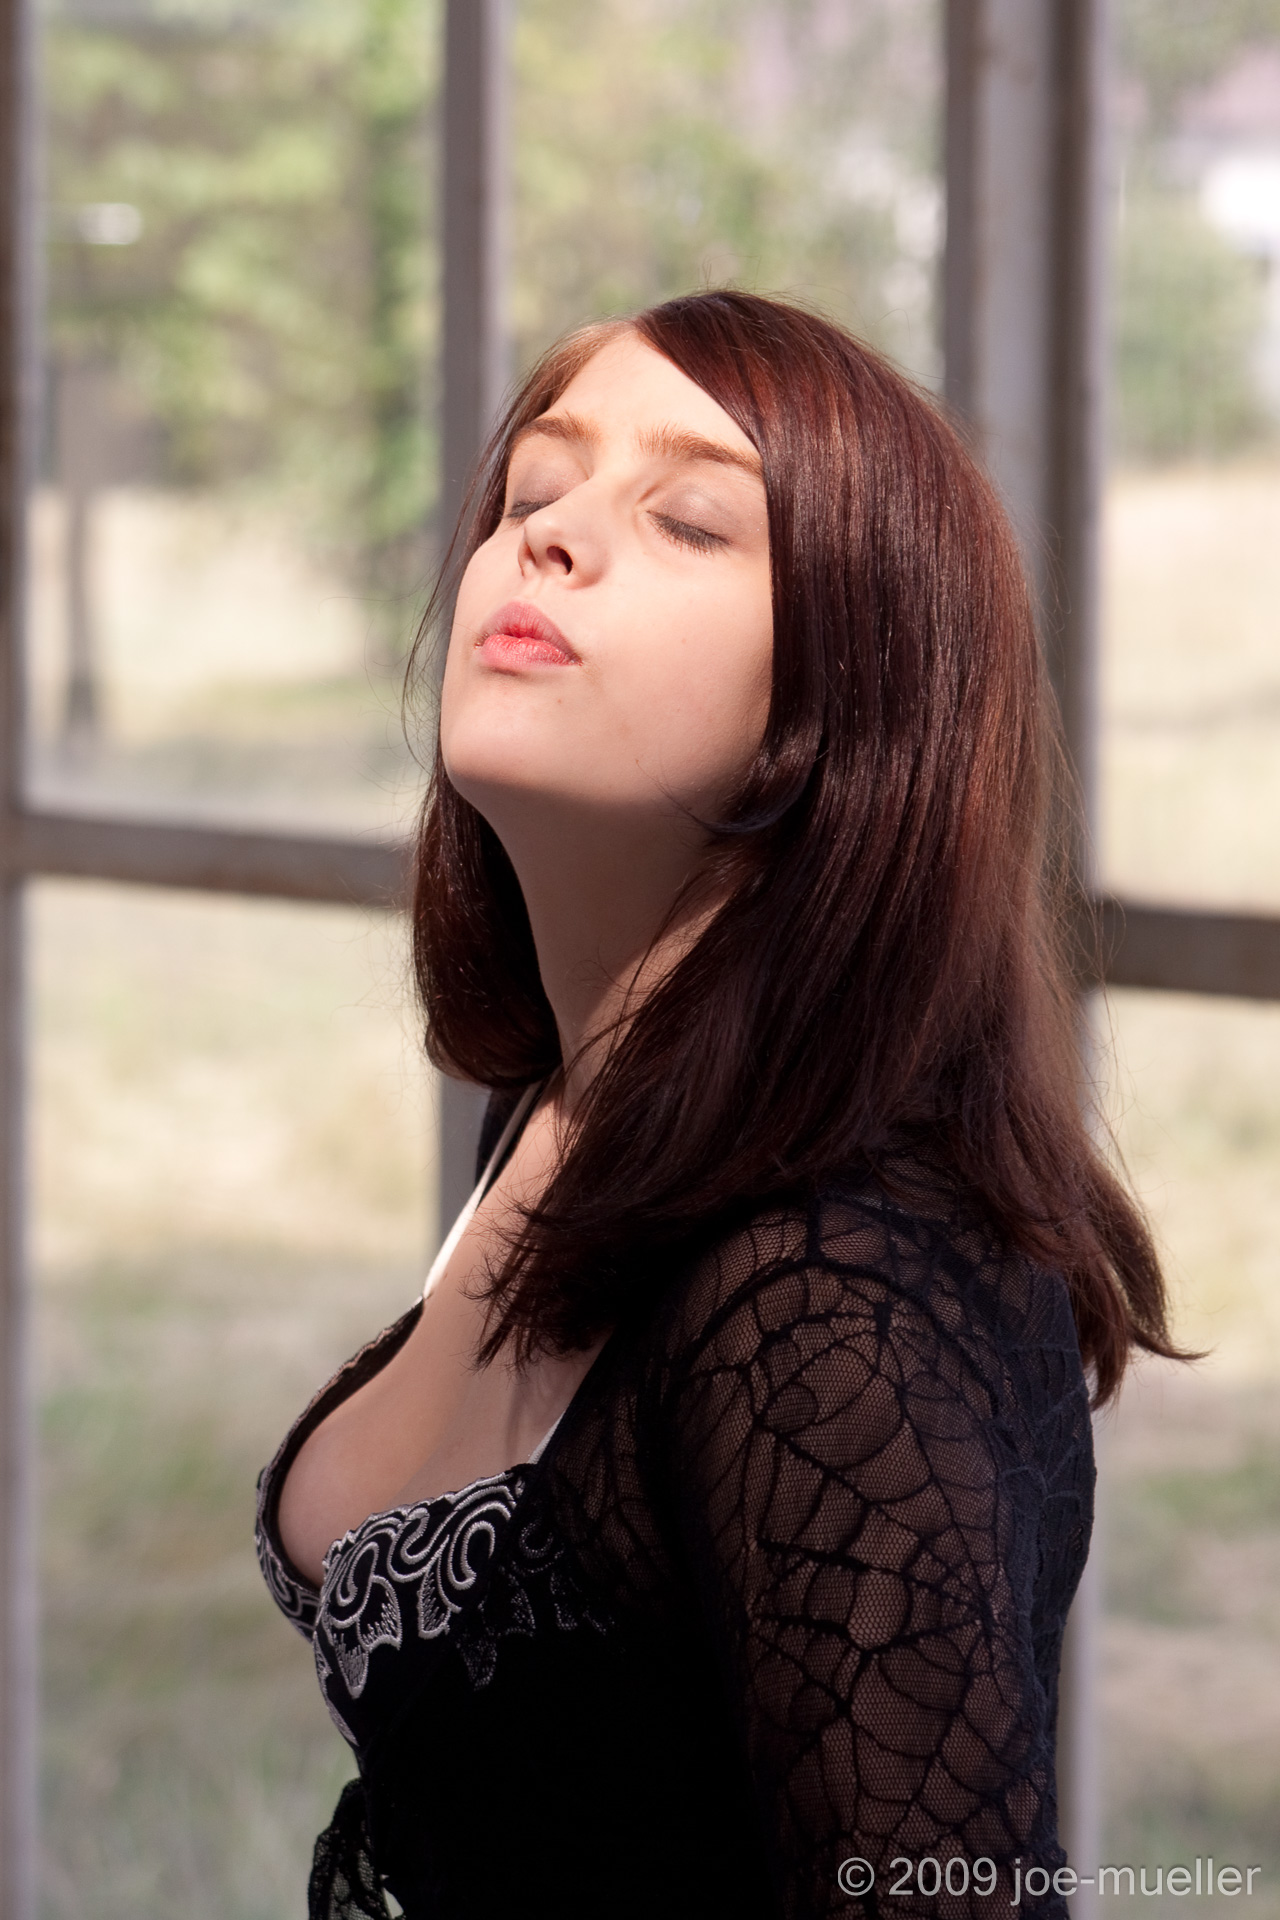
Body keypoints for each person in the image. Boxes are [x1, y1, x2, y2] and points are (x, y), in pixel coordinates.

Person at [255, 291, 1181, 1920]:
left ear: (850, 695)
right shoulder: (557, 1107)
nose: (546, 540)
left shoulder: (833, 1294)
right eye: (534, 491)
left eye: (689, 520)